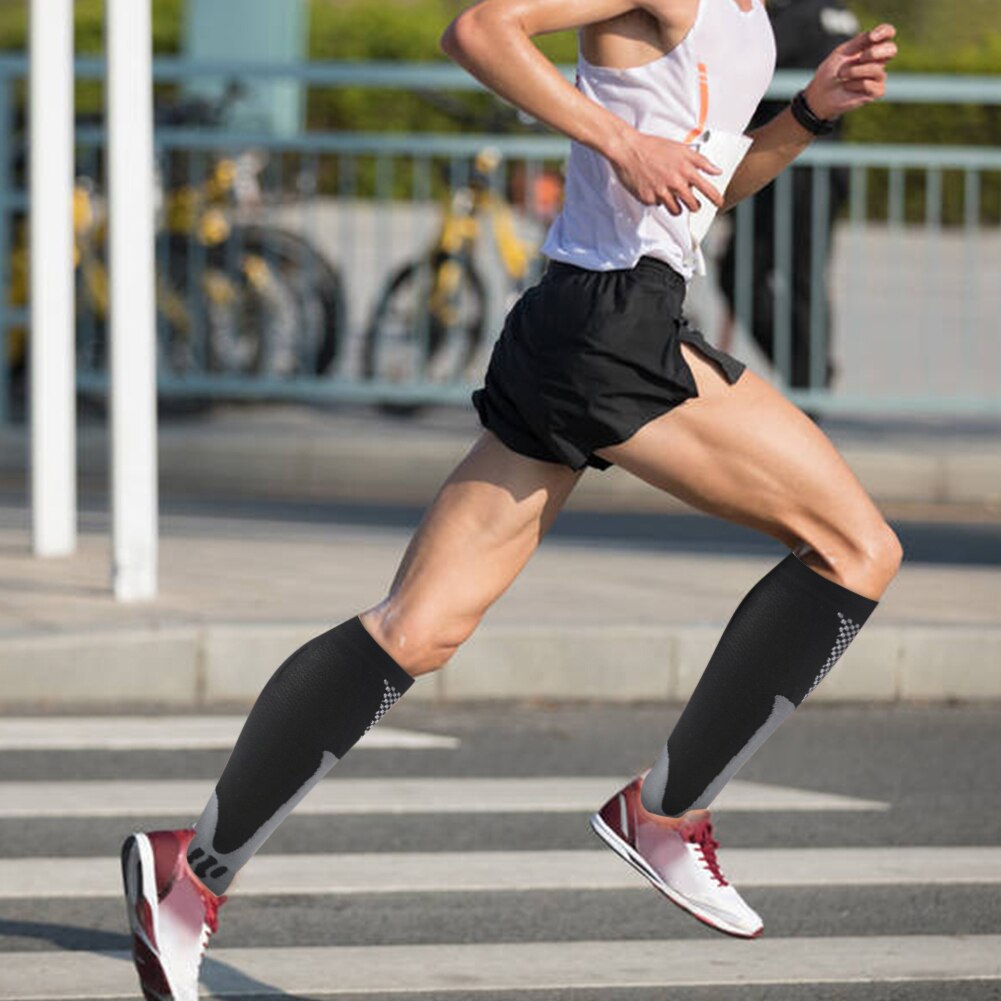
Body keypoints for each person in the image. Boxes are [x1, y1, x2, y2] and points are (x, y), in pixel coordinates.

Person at [120, 2, 899, 996]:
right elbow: (482, 27)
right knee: (854, 546)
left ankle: (186, 875)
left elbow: (700, 187)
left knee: (419, 626)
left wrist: (807, 115)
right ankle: (660, 815)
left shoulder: (744, 15)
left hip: (578, 321)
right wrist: (616, 138)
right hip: (610, 327)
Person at [715, 0, 860, 391]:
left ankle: (810, 380)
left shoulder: (798, 15)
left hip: (787, 167)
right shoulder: (833, 11)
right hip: (795, 167)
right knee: (774, 277)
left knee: (784, 278)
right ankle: (808, 375)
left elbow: (737, 61)